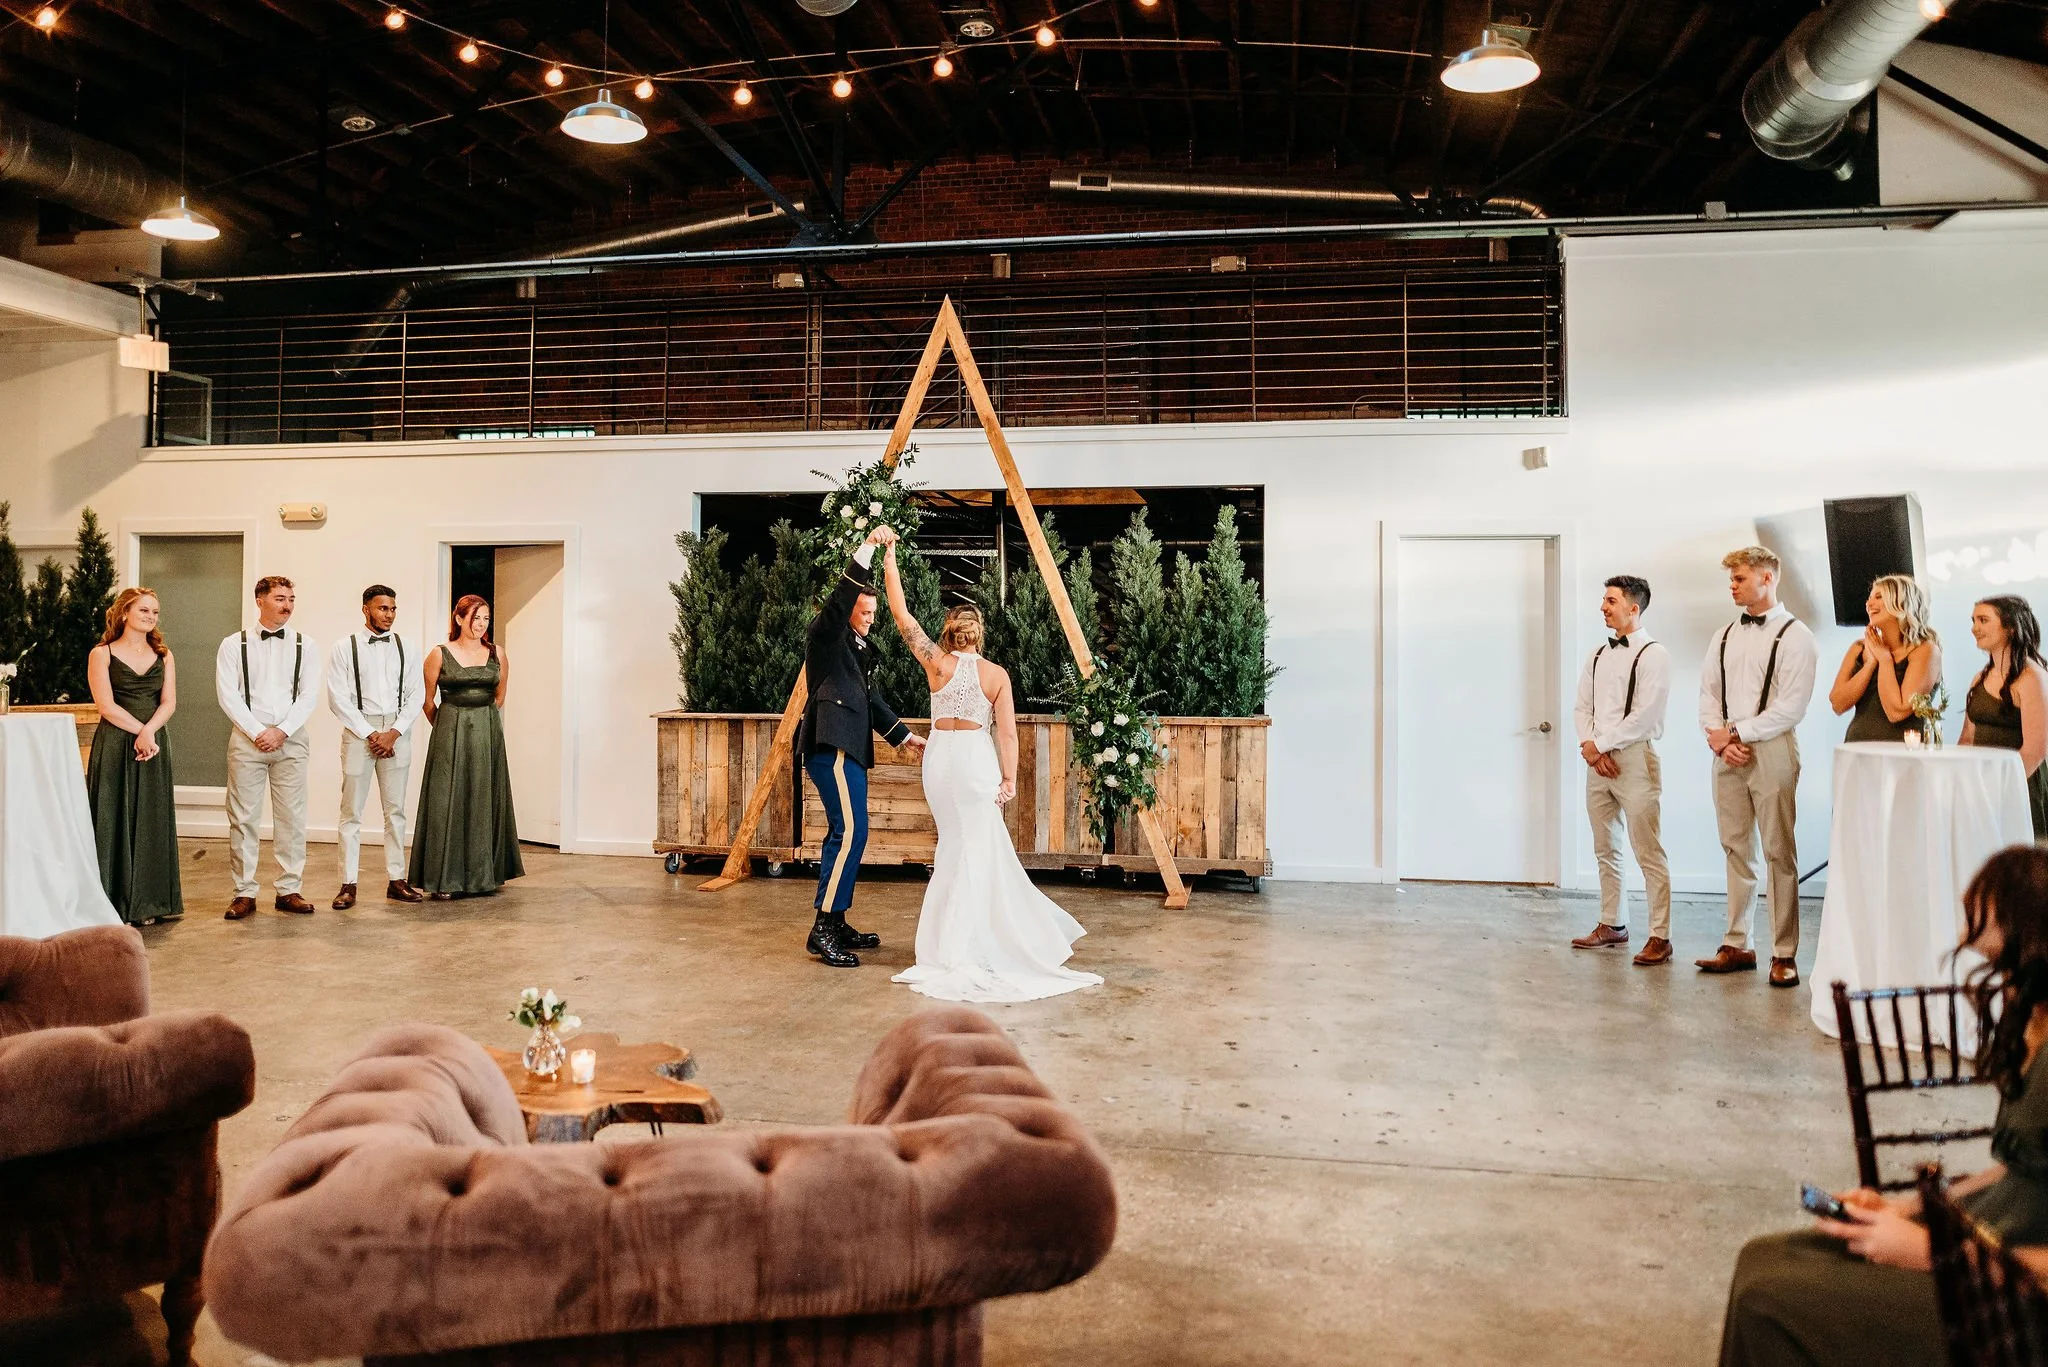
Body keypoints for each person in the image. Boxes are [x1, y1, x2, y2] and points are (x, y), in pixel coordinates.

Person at [1718, 844, 2048, 1366]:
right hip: (1978, 1247)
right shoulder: (2033, 1023)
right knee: (1760, 1259)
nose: (1963, 938)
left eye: (1978, 919)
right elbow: (2015, 1170)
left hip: (2011, 1309)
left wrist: (1932, 1254)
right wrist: (1907, 1209)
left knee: (1769, 1304)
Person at [878, 530, 1104, 1002]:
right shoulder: (996, 675)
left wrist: (891, 556)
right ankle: (971, 945)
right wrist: (1009, 779)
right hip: (975, 763)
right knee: (975, 849)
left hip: (939, 762)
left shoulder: (935, 663)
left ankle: (945, 947)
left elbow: (900, 615)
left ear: (948, 633)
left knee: (953, 847)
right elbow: (1006, 734)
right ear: (980, 635)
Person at [798, 527, 925, 968]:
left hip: (849, 747)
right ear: (847, 610)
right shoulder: (828, 636)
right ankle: (823, 928)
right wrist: (869, 547)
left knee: (853, 833)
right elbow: (840, 597)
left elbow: (869, 701)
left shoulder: (857, 649)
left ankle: (836, 919)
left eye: (874, 611)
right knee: (849, 832)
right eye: (865, 611)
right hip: (830, 744)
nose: (872, 618)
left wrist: (904, 737)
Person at [1698, 546, 1818, 987]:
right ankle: (1737, 942)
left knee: (1778, 852)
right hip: (1727, 749)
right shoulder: (1723, 635)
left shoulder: (1797, 635)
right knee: (1734, 847)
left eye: (1740, 578)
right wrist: (1718, 737)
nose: (1733, 585)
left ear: (1768, 578)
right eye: (1731, 578)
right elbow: (1709, 692)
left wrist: (1737, 733)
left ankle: (1783, 952)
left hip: (1771, 748)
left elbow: (1791, 708)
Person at [1570, 576, 1673, 965]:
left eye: (1610, 600)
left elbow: (1646, 715)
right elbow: (1582, 707)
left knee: (1648, 848)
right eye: (1603, 600)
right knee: (1605, 847)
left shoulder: (1654, 654)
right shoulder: (1597, 654)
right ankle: (1612, 924)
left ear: (1634, 608)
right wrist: (1590, 747)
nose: (1603, 607)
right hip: (1597, 759)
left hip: (1634, 758)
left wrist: (1602, 745)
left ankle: (1660, 935)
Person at [215, 576, 320, 920]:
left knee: (292, 816)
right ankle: (244, 892)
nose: (287, 605)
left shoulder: (305, 644)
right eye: (279, 598)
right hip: (247, 741)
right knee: (243, 817)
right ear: (259, 601)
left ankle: (289, 889)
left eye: (291, 598)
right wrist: (259, 731)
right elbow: (228, 695)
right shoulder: (234, 644)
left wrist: (282, 731)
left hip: (290, 741)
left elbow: (308, 695)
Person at [409, 595, 523, 899]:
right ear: (459, 619)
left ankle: (484, 875)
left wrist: (481, 723)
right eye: (475, 618)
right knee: (447, 800)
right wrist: (448, 725)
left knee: (483, 798)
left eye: (486, 618)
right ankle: (445, 877)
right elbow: (426, 700)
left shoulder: (498, 653)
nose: (481, 624)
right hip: (450, 730)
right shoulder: (439, 654)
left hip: (486, 732)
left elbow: (500, 697)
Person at [85, 587, 183, 926]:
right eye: (144, 610)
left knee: (151, 818)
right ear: (124, 613)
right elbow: (106, 706)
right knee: (114, 817)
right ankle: (113, 904)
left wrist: (149, 732)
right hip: (115, 741)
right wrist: (140, 732)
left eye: (155, 612)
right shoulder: (102, 653)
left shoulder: (164, 655)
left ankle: (148, 903)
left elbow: (168, 702)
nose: (151, 617)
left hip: (154, 742)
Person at [326, 584, 426, 909]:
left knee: (395, 811)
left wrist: (393, 732)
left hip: (397, 730)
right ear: (366, 608)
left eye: (394, 609)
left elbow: (416, 694)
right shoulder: (345, 647)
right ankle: (348, 884)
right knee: (350, 811)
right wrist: (371, 733)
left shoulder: (407, 647)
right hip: (359, 729)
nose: (389, 615)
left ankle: (397, 879)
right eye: (383, 608)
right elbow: (337, 698)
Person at [1962, 594, 2048, 839]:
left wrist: (1998, 791)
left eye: (1983, 620)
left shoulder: (2033, 679)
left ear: (2010, 627)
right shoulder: (1979, 678)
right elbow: (1967, 738)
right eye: (1973, 621)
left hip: (2020, 790)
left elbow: (2035, 751)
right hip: (1983, 791)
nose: (1974, 628)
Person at [1827, 574, 1942, 744]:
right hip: (1856, 748)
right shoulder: (1859, 648)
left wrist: (1885, 660)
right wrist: (1870, 664)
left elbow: (1896, 712)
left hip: (1902, 752)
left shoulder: (1925, 650)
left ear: (1902, 603)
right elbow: (1837, 704)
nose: (1868, 604)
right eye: (1869, 598)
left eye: (1879, 597)